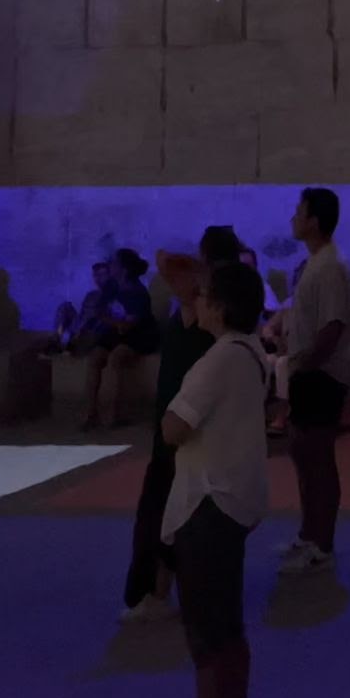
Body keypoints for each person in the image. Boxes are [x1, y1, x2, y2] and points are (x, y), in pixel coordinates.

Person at [148, 261, 268, 698]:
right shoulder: (250, 351)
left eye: (203, 296)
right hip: (234, 502)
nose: (196, 302)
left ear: (218, 305)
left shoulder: (217, 360)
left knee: (206, 642)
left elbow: (173, 427)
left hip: (206, 505)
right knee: (229, 632)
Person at [122, 236, 234, 625]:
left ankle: (159, 593)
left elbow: (167, 262)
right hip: (178, 432)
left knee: (168, 516)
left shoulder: (203, 319)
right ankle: (164, 591)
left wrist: (200, 273)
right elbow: (165, 261)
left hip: (183, 434)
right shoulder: (206, 320)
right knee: (171, 515)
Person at [280, 186, 350, 576]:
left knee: (318, 459)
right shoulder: (316, 263)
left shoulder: (329, 268)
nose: (293, 217)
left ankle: (322, 544)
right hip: (308, 373)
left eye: (299, 212)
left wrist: (307, 364)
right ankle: (308, 533)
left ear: (313, 221)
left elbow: (332, 327)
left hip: (320, 376)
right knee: (303, 454)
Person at [82, 248, 160, 429]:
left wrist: (112, 321)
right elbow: (100, 312)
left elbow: (128, 326)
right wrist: (113, 322)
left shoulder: (138, 293)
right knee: (95, 357)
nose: (110, 265)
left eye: (114, 263)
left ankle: (114, 415)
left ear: (123, 269)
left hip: (139, 335)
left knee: (116, 357)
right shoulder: (111, 286)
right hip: (115, 332)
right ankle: (91, 414)